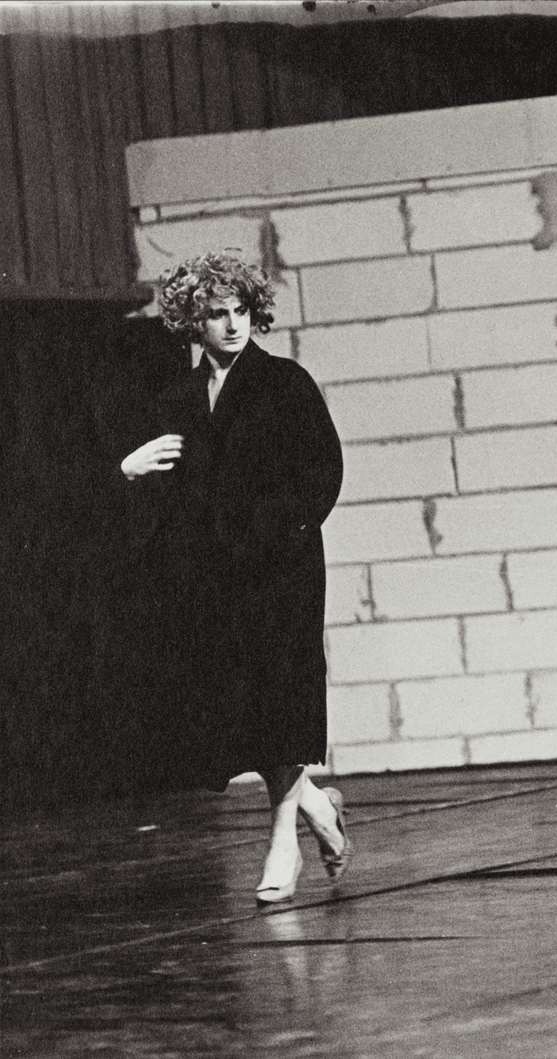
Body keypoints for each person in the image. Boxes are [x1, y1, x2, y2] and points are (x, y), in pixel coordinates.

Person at [117, 251, 349, 905]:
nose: (231, 325)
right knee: (241, 710)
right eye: (216, 314)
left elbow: (323, 469)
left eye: (240, 312)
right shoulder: (176, 400)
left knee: (283, 697)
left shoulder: (285, 383)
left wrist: (288, 530)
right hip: (215, 577)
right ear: (194, 321)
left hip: (282, 570)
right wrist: (135, 471)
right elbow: (167, 498)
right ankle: (315, 806)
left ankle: (283, 842)